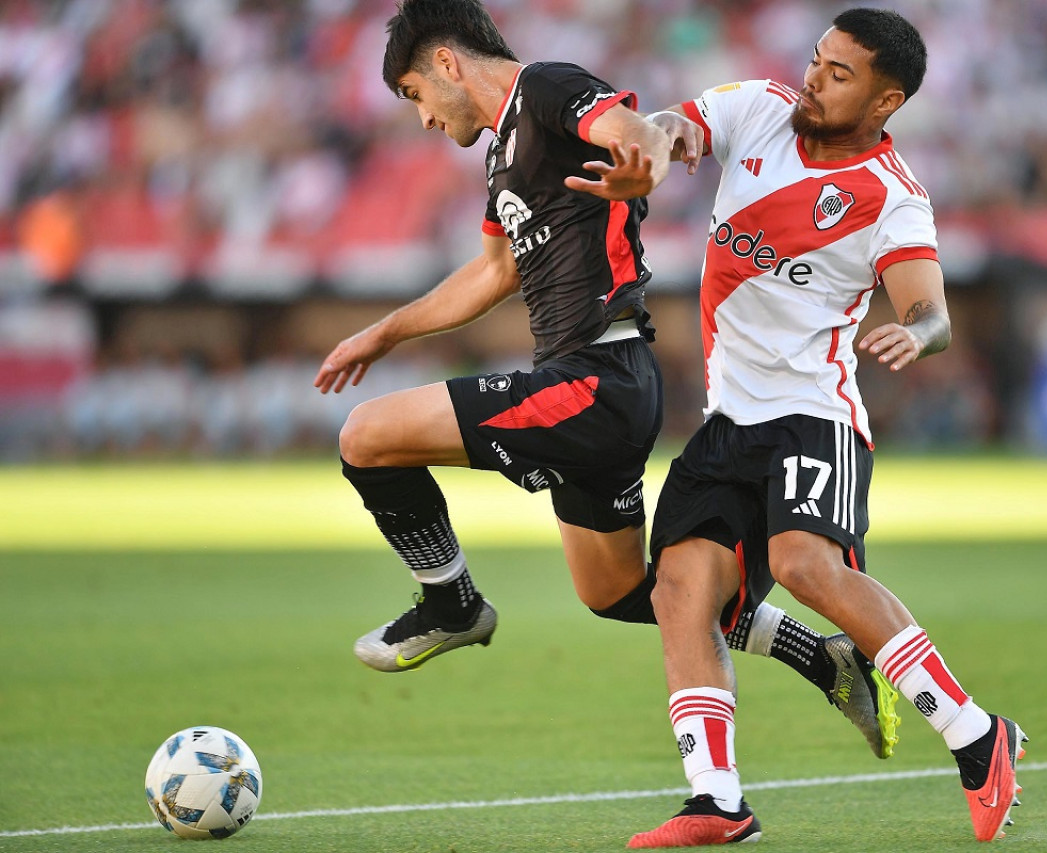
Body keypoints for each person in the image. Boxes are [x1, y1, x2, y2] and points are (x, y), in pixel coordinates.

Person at [312, 0, 898, 759]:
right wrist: (385, 331)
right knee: (621, 593)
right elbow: (492, 273)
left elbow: (635, 131)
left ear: (447, 64)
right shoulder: (504, 155)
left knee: (366, 436)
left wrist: (643, 164)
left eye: (416, 94)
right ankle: (823, 656)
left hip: (598, 375)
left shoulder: (548, 88)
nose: (423, 118)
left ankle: (450, 602)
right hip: (595, 387)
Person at [619, 9, 1026, 848]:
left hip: (815, 415)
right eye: (817, 60)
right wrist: (655, 143)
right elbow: (678, 126)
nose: (814, 77)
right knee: (679, 591)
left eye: (840, 74)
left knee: (802, 562)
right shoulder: (757, 107)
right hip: (729, 420)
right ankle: (717, 799)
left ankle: (976, 735)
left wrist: (913, 333)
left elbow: (931, 310)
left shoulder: (893, 197)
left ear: (886, 102)